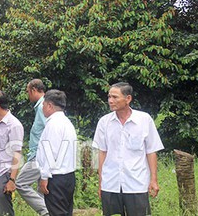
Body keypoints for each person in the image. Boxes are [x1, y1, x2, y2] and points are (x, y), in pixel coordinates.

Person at [92, 82, 164, 216]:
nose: (110, 101)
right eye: (109, 97)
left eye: (115, 97)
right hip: (111, 183)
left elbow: (151, 151)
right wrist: (101, 182)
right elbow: (102, 152)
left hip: (136, 182)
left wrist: (153, 180)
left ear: (128, 99)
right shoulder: (104, 122)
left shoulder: (144, 120)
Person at [37, 90, 77, 216]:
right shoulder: (66, 122)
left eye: (43, 104)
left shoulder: (54, 124)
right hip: (67, 176)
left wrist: (44, 177)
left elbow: (51, 153)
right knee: (65, 212)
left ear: (49, 105)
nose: (42, 108)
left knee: (57, 212)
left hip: (56, 177)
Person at [16, 79, 50, 216]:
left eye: (27, 91)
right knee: (41, 189)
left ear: (34, 90)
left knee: (21, 183)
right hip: (39, 154)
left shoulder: (43, 106)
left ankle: (47, 212)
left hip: (39, 155)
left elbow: (50, 130)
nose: (27, 95)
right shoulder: (41, 105)